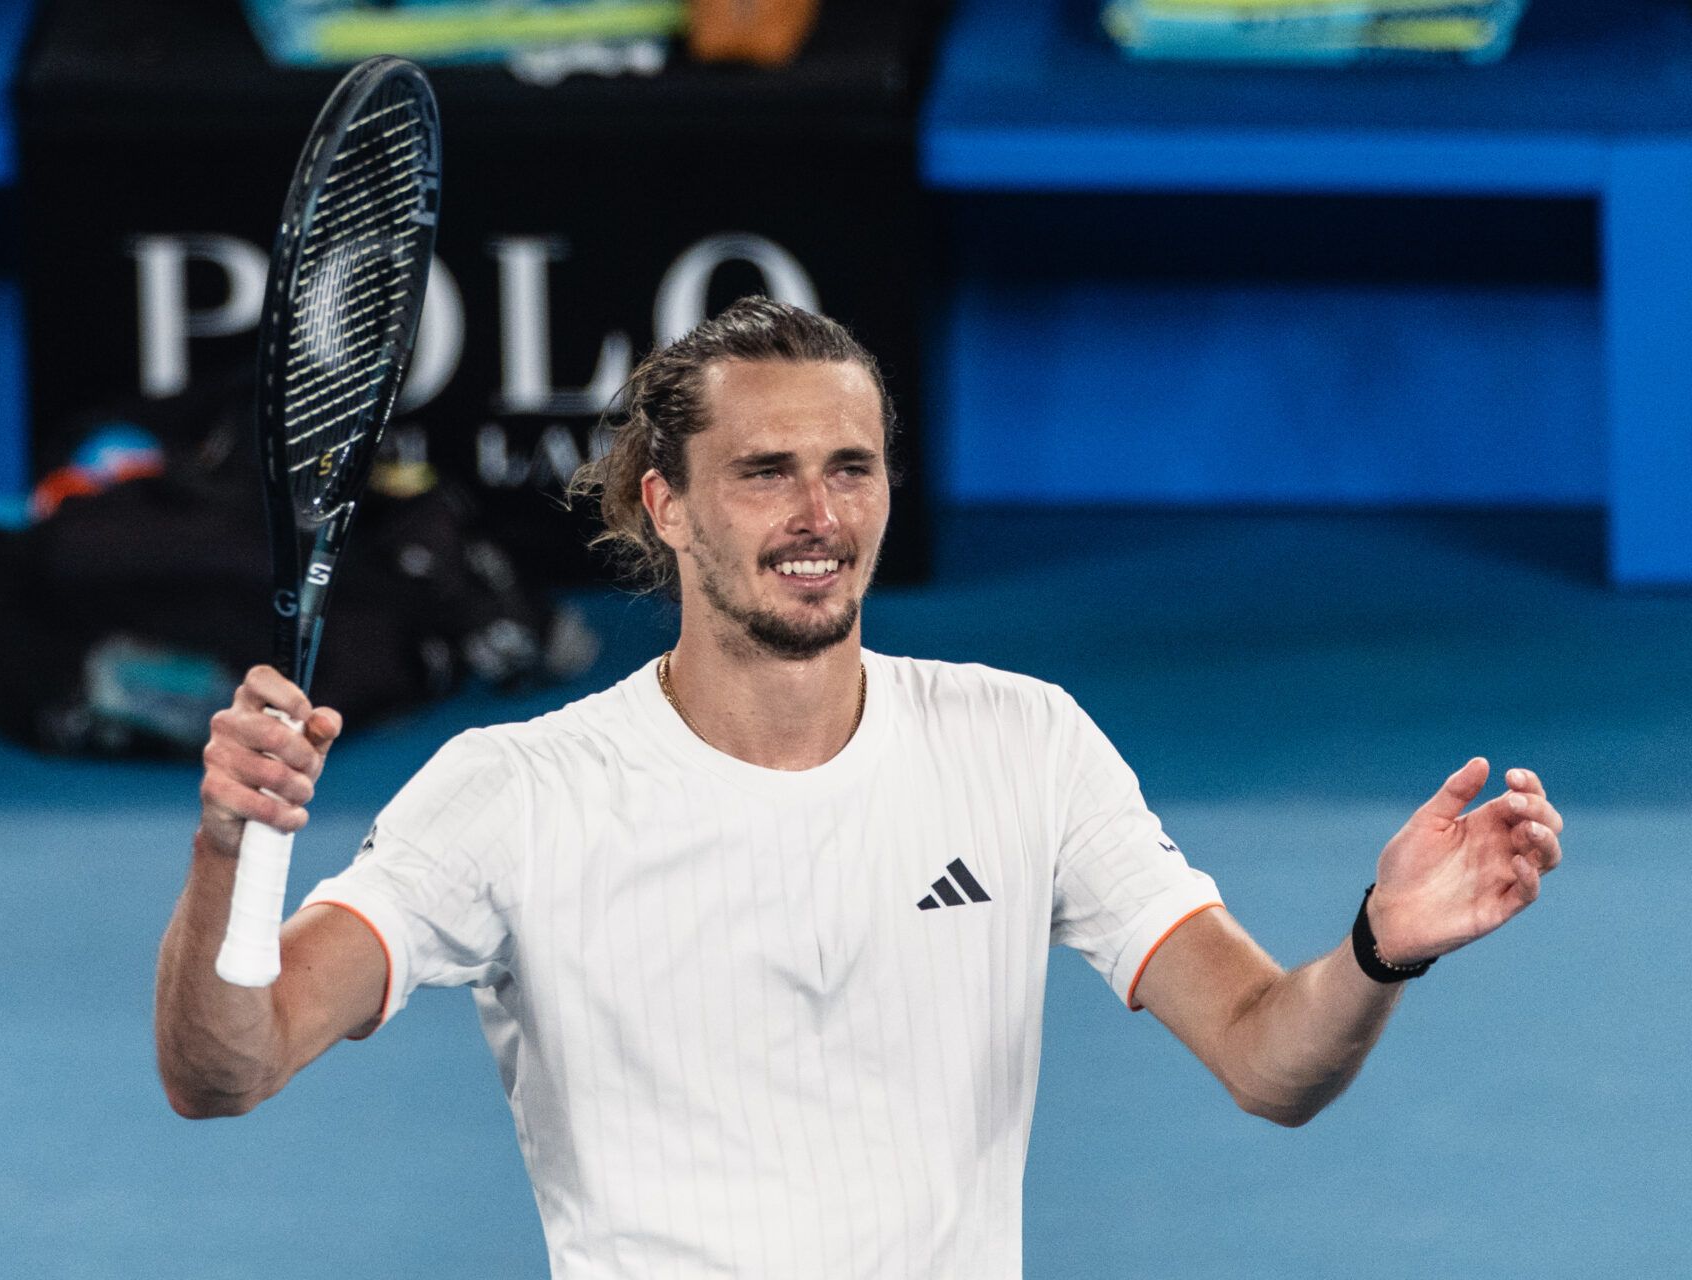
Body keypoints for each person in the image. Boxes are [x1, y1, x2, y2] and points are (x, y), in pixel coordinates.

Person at [154, 297, 1564, 1279]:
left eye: (851, 469)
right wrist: (233, 849)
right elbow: (228, 1066)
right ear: (666, 504)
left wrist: (1377, 950)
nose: (818, 518)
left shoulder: (1026, 742)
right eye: (765, 473)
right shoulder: (514, 794)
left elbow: (1268, 1058)